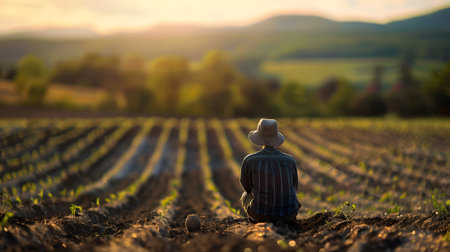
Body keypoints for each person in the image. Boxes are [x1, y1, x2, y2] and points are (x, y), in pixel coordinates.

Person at [240, 118, 300, 223]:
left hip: (260, 214)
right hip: (289, 214)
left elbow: (247, 188)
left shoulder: (250, 160)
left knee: (245, 196)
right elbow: (294, 188)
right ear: (276, 137)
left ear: (259, 138)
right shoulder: (290, 160)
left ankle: (255, 220)